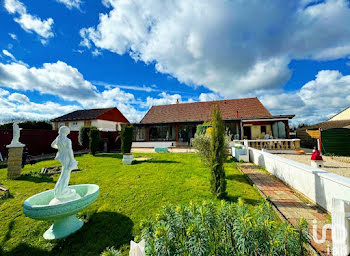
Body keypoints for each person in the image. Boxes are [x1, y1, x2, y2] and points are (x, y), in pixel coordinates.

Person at [51, 126, 78, 200]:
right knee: (66, 174)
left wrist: (60, 148)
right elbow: (70, 150)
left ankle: (60, 190)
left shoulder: (58, 138)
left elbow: (52, 145)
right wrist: (72, 160)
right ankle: (62, 191)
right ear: (66, 132)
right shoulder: (67, 140)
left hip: (61, 156)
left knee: (64, 173)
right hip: (67, 157)